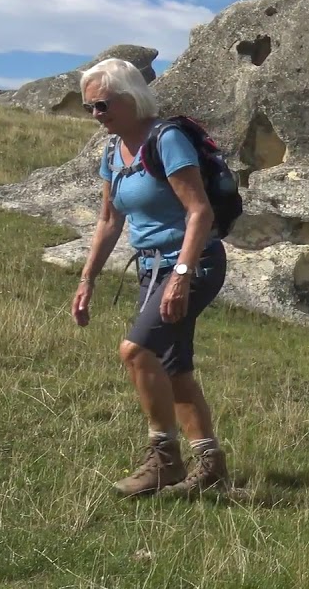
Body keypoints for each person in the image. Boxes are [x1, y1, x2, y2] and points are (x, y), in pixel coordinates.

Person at [71, 57, 229, 498]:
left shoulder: (167, 139)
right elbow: (108, 221)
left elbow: (200, 211)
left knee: (137, 351)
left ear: (132, 98)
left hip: (192, 263)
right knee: (172, 365)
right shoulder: (112, 150)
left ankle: (163, 460)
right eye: (90, 109)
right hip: (150, 266)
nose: (96, 116)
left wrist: (181, 274)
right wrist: (87, 279)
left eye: (103, 105)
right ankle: (211, 467)